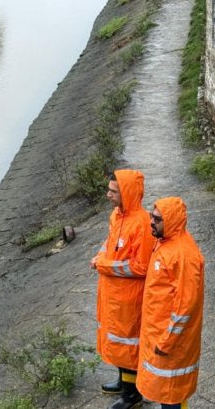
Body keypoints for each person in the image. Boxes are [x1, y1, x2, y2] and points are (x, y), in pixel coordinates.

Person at [90, 170, 154, 409]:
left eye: (113, 191)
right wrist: (99, 255)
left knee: (127, 345)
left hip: (129, 298)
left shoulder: (143, 223)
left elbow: (140, 266)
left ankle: (132, 394)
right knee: (117, 342)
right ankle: (123, 381)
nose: (108, 195)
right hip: (112, 294)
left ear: (127, 193)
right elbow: (110, 243)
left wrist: (104, 264)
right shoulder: (116, 216)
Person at [136, 197, 204, 409]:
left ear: (172, 221)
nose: (151, 222)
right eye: (151, 216)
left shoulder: (182, 255)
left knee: (172, 391)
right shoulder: (166, 242)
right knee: (168, 390)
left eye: (157, 219)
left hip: (170, 341)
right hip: (160, 333)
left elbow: (186, 306)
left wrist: (166, 341)